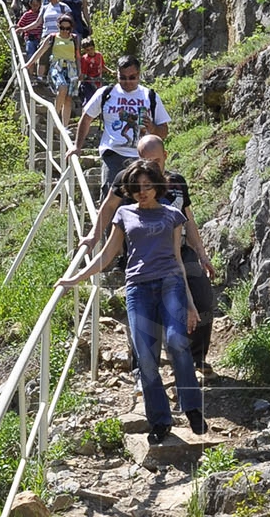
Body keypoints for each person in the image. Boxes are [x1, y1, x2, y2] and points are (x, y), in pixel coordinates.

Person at [59, 158, 204, 444]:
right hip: (138, 288)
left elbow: (177, 259)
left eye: (148, 186)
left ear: (157, 186)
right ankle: (160, 420)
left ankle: (192, 406)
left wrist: (190, 303)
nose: (142, 192)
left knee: (176, 341)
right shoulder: (123, 214)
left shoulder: (173, 215)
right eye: (137, 187)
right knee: (146, 358)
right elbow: (108, 254)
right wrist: (75, 278)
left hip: (170, 284)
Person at [76, 134, 215, 370]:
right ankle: (141, 368)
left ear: (166, 157)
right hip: (141, 252)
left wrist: (202, 254)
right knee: (142, 310)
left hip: (179, 250)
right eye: (146, 160)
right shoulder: (127, 179)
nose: (152, 166)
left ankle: (197, 357)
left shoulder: (178, 183)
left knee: (202, 297)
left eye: (157, 161)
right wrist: (93, 236)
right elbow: (109, 206)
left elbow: (189, 221)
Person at [74, 54, 169, 196]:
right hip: (113, 153)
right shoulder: (106, 93)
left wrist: (153, 128)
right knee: (111, 195)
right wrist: (77, 147)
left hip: (143, 157)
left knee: (143, 196)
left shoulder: (150, 96)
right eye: (123, 77)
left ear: (139, 75)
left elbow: (164, 131)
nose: (127, 82)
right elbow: (86, 118)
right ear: (116, 75)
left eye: (132, 77)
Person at [28, 9, 82, 129]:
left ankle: (64, 127)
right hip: (56, 66)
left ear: (71, 28)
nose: (65, 31)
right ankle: (54, 117)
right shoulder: (52, 37)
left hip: (71, 68)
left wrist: (80, 71)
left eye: (67, 28)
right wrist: (29, 64)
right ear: (58, 27)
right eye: (62, 28)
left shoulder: (74, 38)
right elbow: (40, 51)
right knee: (62, 87)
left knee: (68, 99)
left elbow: (78, 56)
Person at [78, 34, 106, 104]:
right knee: (89, 99)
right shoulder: (84, 59)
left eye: (92, 49)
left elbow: (102, 67)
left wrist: (111, 71)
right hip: (88, 82)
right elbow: (83, 73)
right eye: (88, 50)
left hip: (98, 81)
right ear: (84, 50)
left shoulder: (99, 55)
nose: (90, 51)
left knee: (99, 99)